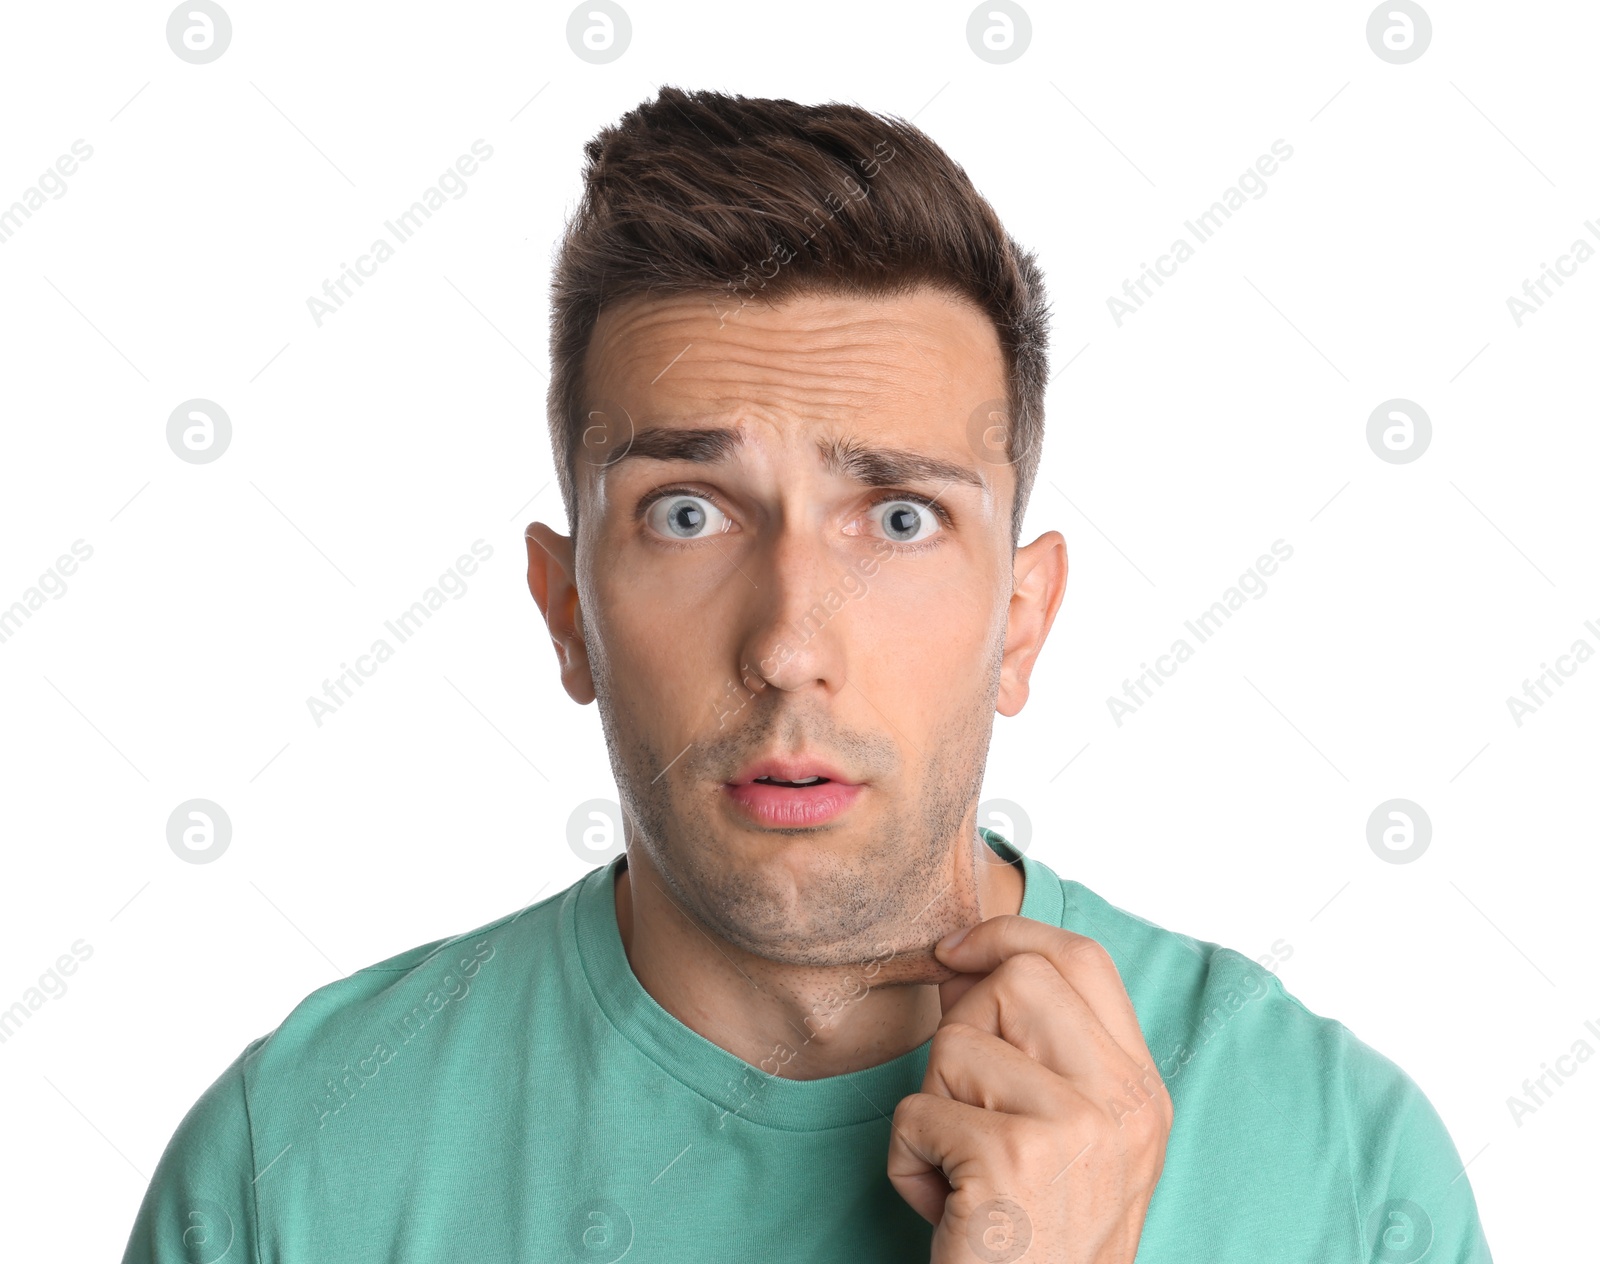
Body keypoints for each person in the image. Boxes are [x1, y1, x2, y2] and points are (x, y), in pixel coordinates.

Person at [121, 86, 1493, 1263]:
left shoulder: (1344, 1170)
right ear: (567, 614)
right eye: (687, 512)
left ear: (1019, 621)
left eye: (898, 517)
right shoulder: (287, 1167)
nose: (787, 642)